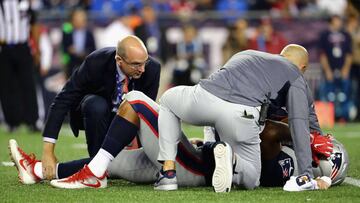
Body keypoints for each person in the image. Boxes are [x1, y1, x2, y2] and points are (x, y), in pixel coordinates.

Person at [9, 91, 342, 189]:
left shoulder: (286, 156)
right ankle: (38, 170)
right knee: (113, 163)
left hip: (192, 169)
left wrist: (302, 134)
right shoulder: (296, 162)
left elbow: (268, 137)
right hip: (197, 159)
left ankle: (93, 176)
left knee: (137, 101)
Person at [156, 44, 331, 192]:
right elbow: (299, 123)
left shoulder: (248, 54)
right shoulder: (295, 75)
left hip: (206, 96)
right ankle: (233, 161)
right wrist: (307, 174)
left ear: (280, 56)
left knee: (168, 100)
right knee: (253, 178)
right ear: (303, 69)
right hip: (240, 113)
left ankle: (168, 173)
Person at [32, 35, 160, 181]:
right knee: (96, 105)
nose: (142, 69)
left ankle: (36, 170)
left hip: (126, 121)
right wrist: (48, 152)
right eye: (136, 64)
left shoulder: (152, 69)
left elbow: (144, 114)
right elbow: (63, 99)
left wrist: (141, 151)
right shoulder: (96, 62)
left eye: (145, 62)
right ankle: (97, 165)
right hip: (95, 114)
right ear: (119, 60)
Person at [0, 0, 40, 132]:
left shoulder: (25, 2)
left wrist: (37, 49)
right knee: (6, 86)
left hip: (23, 47)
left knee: (28, 84)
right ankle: (12, 122)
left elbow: (34, 24)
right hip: (4, 48)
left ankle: (32, 121)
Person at [318, 15, 353, 121]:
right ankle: (330, 118)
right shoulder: (324, 35)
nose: (339, 22)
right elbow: (322, 54)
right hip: (330, 70)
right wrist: (328, 70)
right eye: (337, 20)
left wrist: (346, 69)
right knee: (329, 96)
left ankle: (344, 117)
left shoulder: (346, 35)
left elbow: (349, 54)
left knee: (345, 95)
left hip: (343, 70)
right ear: (331, 22)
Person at [61, 8, 96, 78]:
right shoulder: (67, 33)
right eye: (76, 19)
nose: (79, 22)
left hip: (85, 65)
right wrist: (69, 50)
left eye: (81, 19)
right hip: (71, 66)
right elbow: (64, 49)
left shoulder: (89, 34)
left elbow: (93, 49)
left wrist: (85, 53)